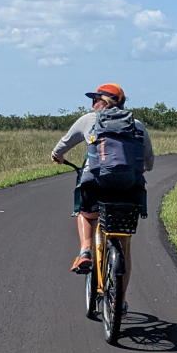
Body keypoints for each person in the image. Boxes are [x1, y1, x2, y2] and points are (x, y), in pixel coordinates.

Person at [51, 83, 154, 302]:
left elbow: (63, 145)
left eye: (95, 99)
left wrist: (57, 156)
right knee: (123, 242)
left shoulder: (89, 120)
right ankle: (121, 301)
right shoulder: (136, 125)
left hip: (95, 184)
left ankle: (85, 251)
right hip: (129, 188)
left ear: (102, 101)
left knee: (86, 213)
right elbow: (149, 161)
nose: (92, 103)